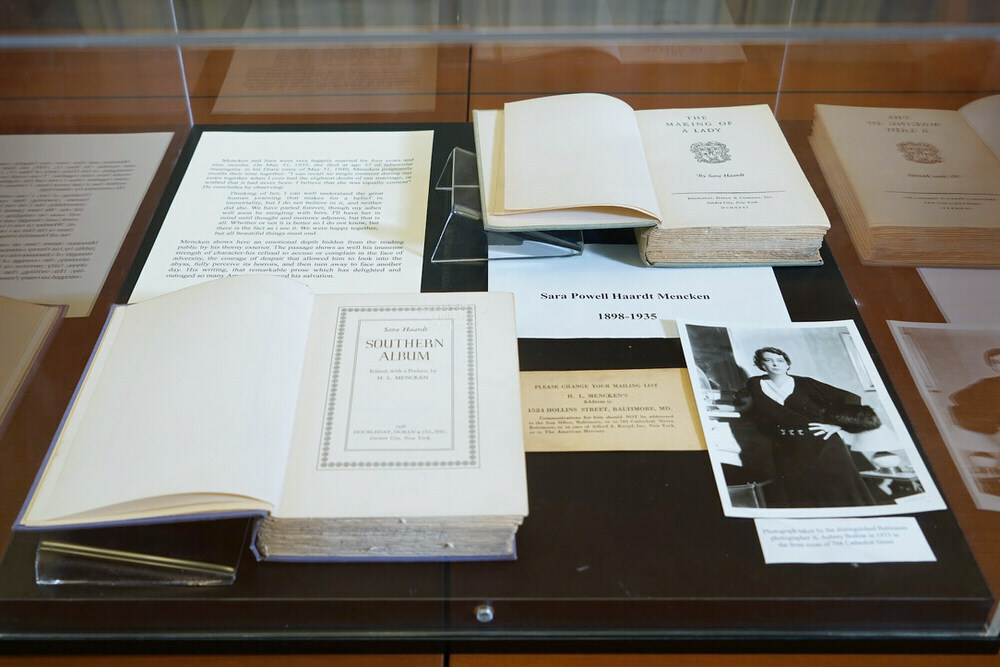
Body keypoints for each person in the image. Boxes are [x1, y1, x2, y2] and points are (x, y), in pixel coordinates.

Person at [736, 346, 882, 508]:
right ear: (762, 365)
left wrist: (836, 426)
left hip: (823, 445)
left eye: (780, 360)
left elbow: (851, 397)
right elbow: (753, 408)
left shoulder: (805, 383)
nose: (775, 364)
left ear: (787, 364)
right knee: (801, 495)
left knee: (838, 493)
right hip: (786, 449)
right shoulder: (755, 384)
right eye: (768, 360)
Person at [950, 348, 1000, 441]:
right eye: (996, 362)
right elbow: (958, 397)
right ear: (993, 366)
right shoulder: (986, 383)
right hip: (992, 428)